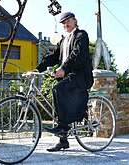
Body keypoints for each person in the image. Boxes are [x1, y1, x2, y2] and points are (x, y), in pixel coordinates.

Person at [28, 12, 93, 152]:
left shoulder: (81, 35)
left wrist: (64, 68)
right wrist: (37, 69)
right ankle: (63, 140)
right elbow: (54, 57)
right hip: (68, 77)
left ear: (75, 21)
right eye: (63, 23)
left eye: (68, 21)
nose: (66, 24)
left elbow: (78, 55)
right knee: (56, 93)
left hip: (80, 76)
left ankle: (64, 126)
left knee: (58, 89)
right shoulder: (64, 40)